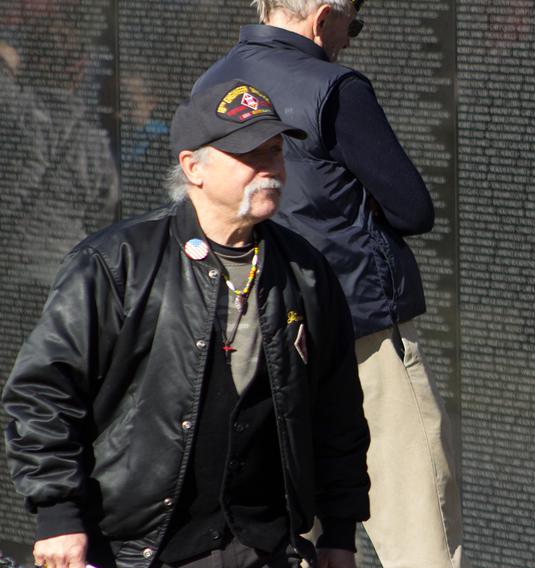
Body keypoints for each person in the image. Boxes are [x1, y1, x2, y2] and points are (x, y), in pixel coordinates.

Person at [2, 79, 370, 568]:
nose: (269, 170)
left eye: (275, 152)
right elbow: (43, 393)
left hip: (262, 547)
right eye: (249, 156)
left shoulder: (306, 271)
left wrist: (339, 533)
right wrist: (58, 514)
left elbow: (336, 412)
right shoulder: (116, 262)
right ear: (192, 167)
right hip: (138, 548)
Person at [194, 2, 464, 567]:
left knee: (295, 524)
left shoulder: (213, 80)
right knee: (416, 522)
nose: (349, 41)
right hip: (359, 327)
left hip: (257, 329)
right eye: (352, 26)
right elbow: (412, 207)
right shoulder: (334, 87)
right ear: (322, 18)